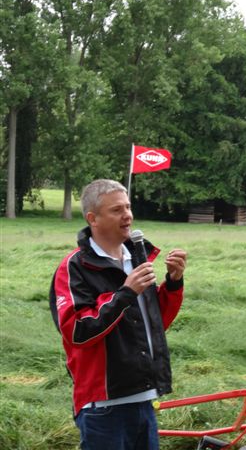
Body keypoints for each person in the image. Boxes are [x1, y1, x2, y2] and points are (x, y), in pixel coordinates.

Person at [49, 179, 186, 450]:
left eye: (128, 207)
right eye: (116, 210)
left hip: (144, 399)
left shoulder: (137, 257)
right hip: (104, 407)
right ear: (93, 219)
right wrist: (125, 293)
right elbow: (76, 330)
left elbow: (153, 323)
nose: (128, 215)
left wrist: (173, 283)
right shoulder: (74, 267)